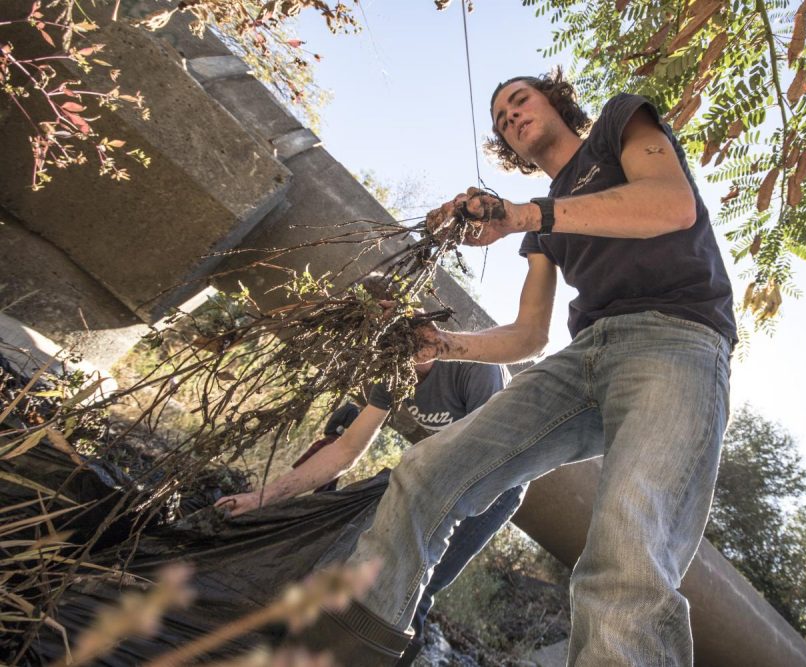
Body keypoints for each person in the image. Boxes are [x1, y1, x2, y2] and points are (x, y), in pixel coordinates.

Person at [333, 68, 737, 666]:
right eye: (500, 120)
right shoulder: (543, 221)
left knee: (627, 555)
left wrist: (526, 215)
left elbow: (672, 206)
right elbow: (528, 335)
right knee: (424, 472)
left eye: (519, 102)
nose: (511, 118)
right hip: (581, 359)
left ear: (554, 101)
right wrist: (440, 342)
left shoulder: (619, 127)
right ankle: (349, 651)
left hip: (675, 342)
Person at [216, 357, 518, 666]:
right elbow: (347, 450)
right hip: (435, 472)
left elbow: (493, 453)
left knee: (415, 587)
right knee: (361, 560)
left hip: (495, 484)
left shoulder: (479, 369)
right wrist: (261, 498)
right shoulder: (394, 369)